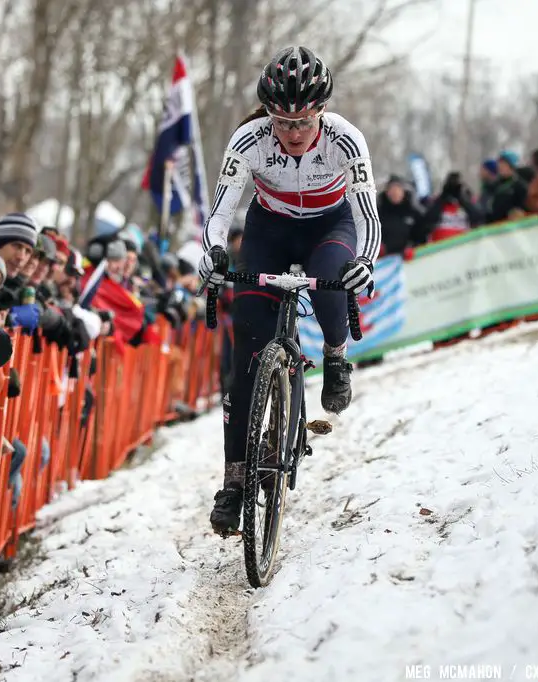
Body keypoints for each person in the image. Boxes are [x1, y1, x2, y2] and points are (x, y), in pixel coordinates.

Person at [198, 46, 381, 536]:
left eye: (303, 122)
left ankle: (337, 355)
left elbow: (367, 217)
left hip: (330, 224)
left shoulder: (345, 139)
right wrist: (214, 254)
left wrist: (364, 261)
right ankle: (234, 480)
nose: (293, 133)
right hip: (269, 230)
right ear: (269, 114)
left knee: (329, 278)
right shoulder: (249, 139)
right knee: (245, 360)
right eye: (282, 121)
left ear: (321, 112)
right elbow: (219, 215)